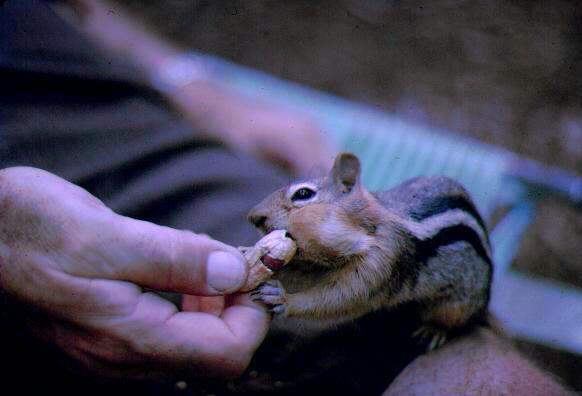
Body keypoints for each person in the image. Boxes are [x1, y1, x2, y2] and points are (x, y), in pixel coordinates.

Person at [0, 1, 572, 395]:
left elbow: (353, 294)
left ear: (349, 191)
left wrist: (187, 82)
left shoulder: (374, 247)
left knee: (460, 366)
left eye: (295, 200)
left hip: (102, 122)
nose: (265, 218)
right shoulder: (340, 231)